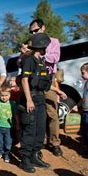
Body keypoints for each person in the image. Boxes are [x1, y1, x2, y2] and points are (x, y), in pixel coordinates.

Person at [29, 19, 66, 157]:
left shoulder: (54, 41)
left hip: (49, 80)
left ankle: (55, 143)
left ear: (43, 28)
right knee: (38, 114)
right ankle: (39, 142)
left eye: (36, 30)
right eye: (32, 31)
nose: (34, 33)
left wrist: (40, 55)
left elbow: (55, 58)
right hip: (35, 81)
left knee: (52, 113)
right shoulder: (30, 43)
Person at [19, 32, 53, 173]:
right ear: (41, 46)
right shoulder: (28, 60)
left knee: (40, 129)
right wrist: (28, 100)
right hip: (31, 97)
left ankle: (35, 155)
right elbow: (24, 80)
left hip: (40, 97)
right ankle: (25, 159)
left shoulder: (41, 61)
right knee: (30, 129)